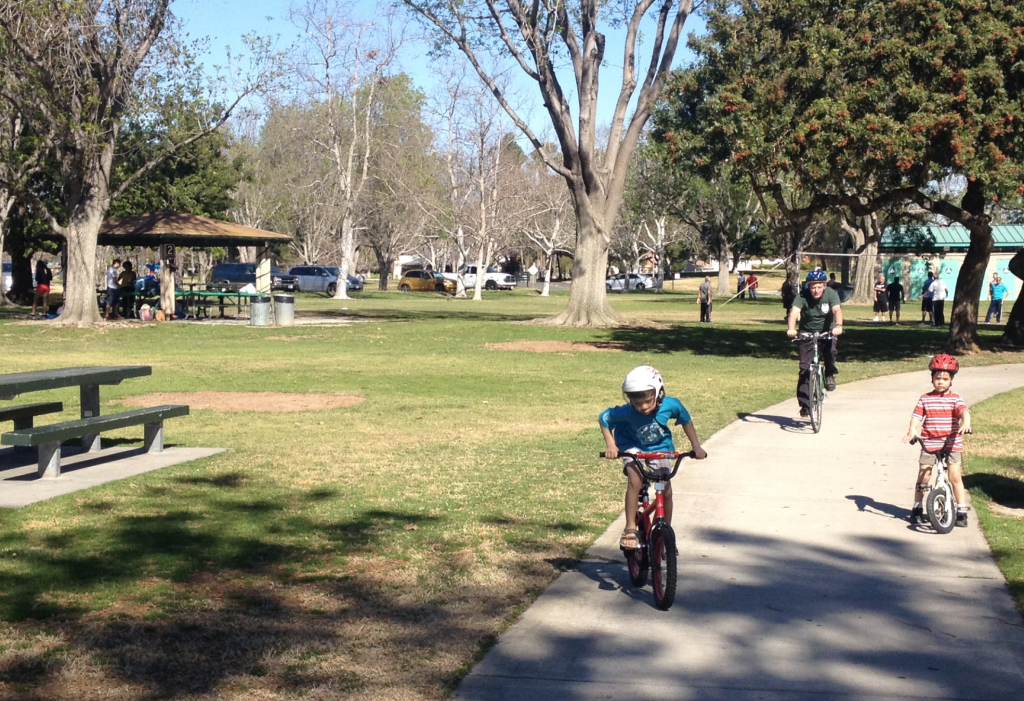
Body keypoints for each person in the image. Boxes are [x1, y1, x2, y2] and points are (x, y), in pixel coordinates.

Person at [600, 366, 707, 550]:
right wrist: (611, 445)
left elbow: (686, 420)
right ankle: (630, 528)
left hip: (659, 448)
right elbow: (604, 418)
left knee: (666, 491)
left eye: (647, 402)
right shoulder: (626, 412)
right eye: (637, 403)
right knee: (635, 480)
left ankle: (666, 533)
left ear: (658, 393)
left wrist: (696, 446)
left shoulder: (671, 405)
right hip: (631, 446)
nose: (642, 408)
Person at [902, 354, 972, 527]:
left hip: (951, 442)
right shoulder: (925, 398)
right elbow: (917, 416)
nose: (940, 382)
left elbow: (963, 411)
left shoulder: (955, 398)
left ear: (951, 380)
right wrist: (913, 429)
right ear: (932, 378)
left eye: (945, 379)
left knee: (955, 475)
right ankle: (917, 507)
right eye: (937, 378)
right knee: (924, 474)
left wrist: (966, 423)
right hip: (929, 442)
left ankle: (961, 511)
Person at [787, 269, 844, 417]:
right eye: (812, 286)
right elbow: (793, 313)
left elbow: (837, 311)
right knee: (805, 369)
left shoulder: (831, 294)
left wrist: (838, 327)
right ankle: (805, 405)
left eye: (819, 286)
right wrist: (792, 329)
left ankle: (829, 374)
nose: (816, 290)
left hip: (827, 332)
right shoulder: (803, 296)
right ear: (808, 286)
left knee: (830, 351)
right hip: (806, 334)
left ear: (824, 286)